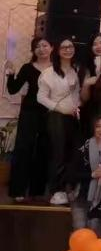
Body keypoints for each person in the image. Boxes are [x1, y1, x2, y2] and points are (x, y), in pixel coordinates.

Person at [4, 37, 52, 202]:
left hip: (50, 114)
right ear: (33, 50)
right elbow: (12, 89)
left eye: (45, 45)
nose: (41, 49)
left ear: (51, 48)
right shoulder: (27, 67)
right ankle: (17, 190)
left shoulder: (57, 69)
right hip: (29, 112)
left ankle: (37, 191)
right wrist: (11, 74)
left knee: (43, 150)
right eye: (37, 46)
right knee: (23, 149)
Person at [38, 38, 85, 205]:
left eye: (70, 46)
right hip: (56, 117)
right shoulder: (49, 72)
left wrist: (77, 107)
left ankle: (67, 187)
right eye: (63, 47)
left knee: (73, 153)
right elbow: (41, 97)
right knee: (58, 153)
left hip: (72, 117)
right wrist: (59, 108)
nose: (67, 50)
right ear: (57, 51)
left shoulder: (75, 70)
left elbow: (76, 95)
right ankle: (56, 190)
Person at [69, 114, 101, 237]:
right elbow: (71, 174)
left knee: (95, 228)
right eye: (98, 126)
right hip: (82, 196)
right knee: (80, 232)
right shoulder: (84, 147)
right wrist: (92, 174)